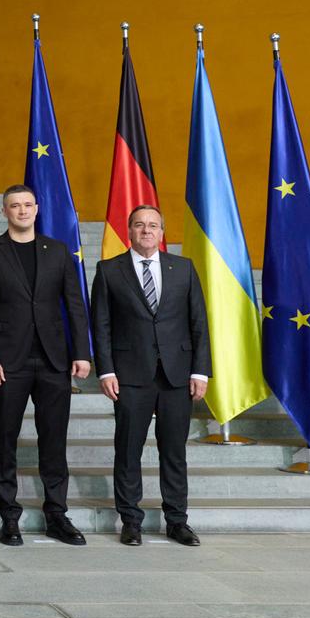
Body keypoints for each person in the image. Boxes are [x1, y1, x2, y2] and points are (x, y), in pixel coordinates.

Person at [0, 185, 91, 547]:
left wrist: (82, 352)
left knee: (53, 440)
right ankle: (9, 515)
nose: (22, 211)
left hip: (54, 360)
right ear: (4, 211)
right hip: (7, 361)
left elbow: (75, 305)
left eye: (27, 205)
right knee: (4, 439)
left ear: (37, 209)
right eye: (15, 206)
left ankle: (57, 514)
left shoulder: (58, 250)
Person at [91, 205, 211, 548]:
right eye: (140, 225)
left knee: (174, 452)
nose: (146, 230)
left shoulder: (183, 268)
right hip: (129, 375)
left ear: (161, 232)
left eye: (153, 225)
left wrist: (200, 370)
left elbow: (198, 323)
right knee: (128, 450)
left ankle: (177, 521)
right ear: (129, 230)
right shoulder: (109, 270)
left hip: (177, 375)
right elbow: (101, 324)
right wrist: (106, 370)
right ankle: (131, 521)